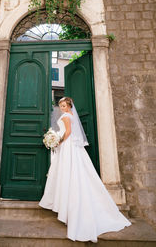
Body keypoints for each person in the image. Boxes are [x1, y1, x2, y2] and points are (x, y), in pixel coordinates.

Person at [39, 97, 131, 243]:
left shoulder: (66, 116)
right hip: (71, 147)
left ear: (69, 106)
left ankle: (67, 206)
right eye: (61, 106)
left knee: (67, 173)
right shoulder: (72, 115)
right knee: (74, 172)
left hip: (67, 146)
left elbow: (68, 132)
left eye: (64, 105)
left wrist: (58, 141)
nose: (62, 108)